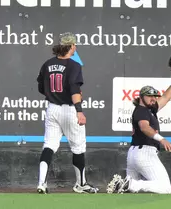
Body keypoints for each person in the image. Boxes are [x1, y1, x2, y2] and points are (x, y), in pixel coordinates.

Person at [106, 55, 171, 194]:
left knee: (129, 193)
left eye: (155, 96)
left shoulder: (150, 109)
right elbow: (144, 127)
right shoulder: (141, 111)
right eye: (150, 96)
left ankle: (128, 184)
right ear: (141, 98)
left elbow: (166, 97)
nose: (153, 98)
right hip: (145, 154)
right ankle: (131, 184)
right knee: (165, 188)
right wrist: (162, 139)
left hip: (133, 154)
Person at [36, 32, 98, 194]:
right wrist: (79, 111)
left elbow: (41, 87)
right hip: (69, 109)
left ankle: (41, 183)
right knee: (78, 147)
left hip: (52, 108)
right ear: (70, 47)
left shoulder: (47, 64)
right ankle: (80, 184)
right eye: (74, 45)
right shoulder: (74, 65)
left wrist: (52, 94)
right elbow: (74, 89)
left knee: (49, 145)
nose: (75, 47)